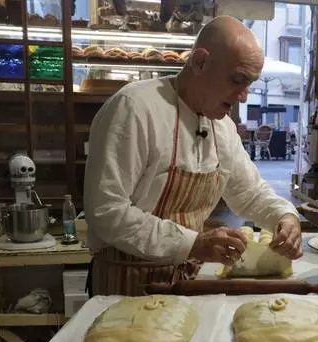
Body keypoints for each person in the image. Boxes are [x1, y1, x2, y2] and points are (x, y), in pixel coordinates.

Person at [83, 15, 302, 297]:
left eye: (250, 83)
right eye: (238, 80)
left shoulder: (222, 127)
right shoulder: (135, 108)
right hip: (126, 284)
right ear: (200, 62)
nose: (244, 96)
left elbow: (249, 194)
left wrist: (284, 216)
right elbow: (106, 210)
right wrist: (192, 244)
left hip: (188, 284)